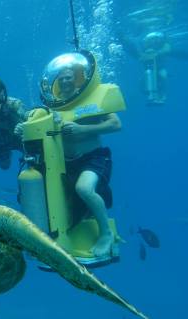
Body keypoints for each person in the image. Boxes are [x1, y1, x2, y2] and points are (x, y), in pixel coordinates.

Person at [58, 70, 122, 257]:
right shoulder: (55, 103)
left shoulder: (91, 99)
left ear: (77, 79)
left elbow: (116, 125)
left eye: (68, 77)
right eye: (60, 79)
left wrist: (82, 129)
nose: (64, 82)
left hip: (93, 157)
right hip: (66, 163)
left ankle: (106, 234)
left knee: (84, 189)